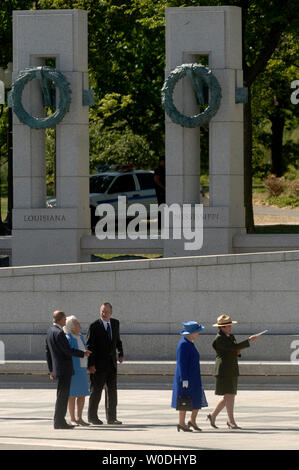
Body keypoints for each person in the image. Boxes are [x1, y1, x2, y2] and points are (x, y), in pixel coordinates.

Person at [207, 314, 259, 430]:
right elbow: (232, 348)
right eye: (227, 326)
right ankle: (230, 421)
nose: (229, 327)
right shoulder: (219, 339)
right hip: (224, 369)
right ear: (221, 327)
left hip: (232, 368)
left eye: (230, 325)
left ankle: (213, 416)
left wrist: (240, 348)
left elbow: (235, 350)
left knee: (229, 395)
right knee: (229, 395)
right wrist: (248, 341)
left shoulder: (230, 336)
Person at [45, 310, 91, 429]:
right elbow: (67, 350)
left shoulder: (50, 331)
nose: (65, 321)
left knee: (62, 396)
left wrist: (51, 369)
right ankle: (60, 422)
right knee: (63, 397)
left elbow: (47, 352)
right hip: (64, 369)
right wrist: (83, 353)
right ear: (60, 319)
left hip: (58, 369)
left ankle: (59, 421)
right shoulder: (60, 333)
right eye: (65, 319)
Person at [86, 302, 124, 425]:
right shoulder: (94, 326)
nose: (104, 313)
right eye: (102, 311)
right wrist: (90, 365)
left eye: (106, 311)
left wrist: (121, 353)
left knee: (112, 392)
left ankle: (112, 417)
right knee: (96, 391)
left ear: (111, 312)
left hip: (111, 364)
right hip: (98, 365)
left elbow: (117, 340)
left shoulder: (115, 323)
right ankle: (92, 417)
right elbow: (89, 346)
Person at [171, 321, 208, 432]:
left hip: (194, 377)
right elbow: (181, 363)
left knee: (196, 398)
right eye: (197, 332)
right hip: (186, 378)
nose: (198, 334)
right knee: (184, 400)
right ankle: (181, 423)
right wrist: (184, 379)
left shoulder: (189, 343)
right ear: (190, 333)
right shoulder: (183, 344)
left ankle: (192, 420)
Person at [63, 316, 90, 426]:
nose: (80, 325)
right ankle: (72, 418)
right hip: (74, 370)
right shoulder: (68, 338)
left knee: (82, 394)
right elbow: (70, 353)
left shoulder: (80, 336)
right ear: (72, 327)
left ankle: (79, 417)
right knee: (72, 394)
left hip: (82, 368)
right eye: (77, 323)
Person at [154, 157, 165, 229]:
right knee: (161, 207)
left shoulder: (164, 169)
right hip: (161, 191)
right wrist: (163, 187)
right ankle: (160, 224)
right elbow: (156, 179)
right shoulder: (159, 169)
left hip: (163, 191)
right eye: (164, 161)